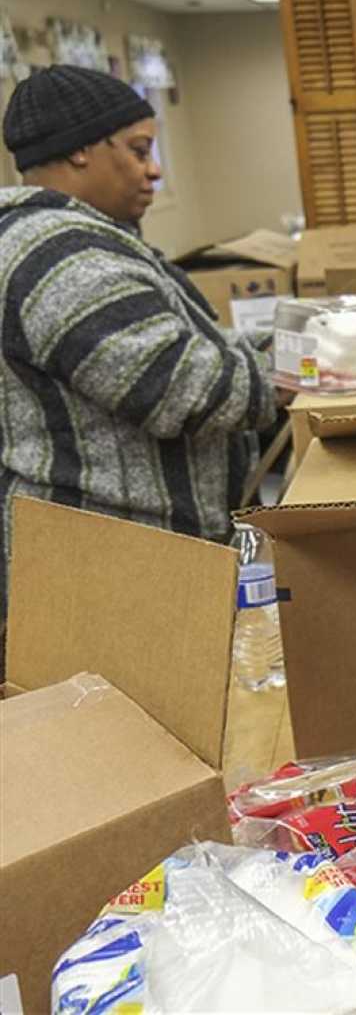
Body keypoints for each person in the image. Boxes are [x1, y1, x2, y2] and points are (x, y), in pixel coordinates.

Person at [0, 66, 278, 640]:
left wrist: (284, 344)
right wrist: (306, 370)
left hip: (128, 555)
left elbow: (185, 345)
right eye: (139, 149)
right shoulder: (61, 256)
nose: (153, 169)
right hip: (111, 565)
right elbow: (179, 388)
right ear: (80, 150)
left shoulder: (78, 239)